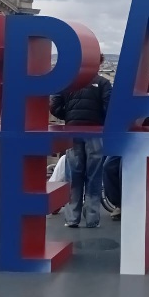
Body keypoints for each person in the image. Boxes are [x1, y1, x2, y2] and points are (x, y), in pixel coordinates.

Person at [49, 54, 111, 228]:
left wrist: (69, 117)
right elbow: (109, 108)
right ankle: (92, 218)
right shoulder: (103, 83)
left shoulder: (69, 82)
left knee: (74, 175)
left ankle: (72, 218)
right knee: (94, 176)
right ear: (98, 64)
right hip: (95, 132)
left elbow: (54, 106)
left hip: (72, 131)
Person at [102, 80, 149, 221]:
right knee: (108, 166)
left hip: (140, 138)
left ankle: (128, 204)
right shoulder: (125, 88)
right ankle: (120, 203)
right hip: (124, 138)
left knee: (124, 168)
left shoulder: (147, 87)